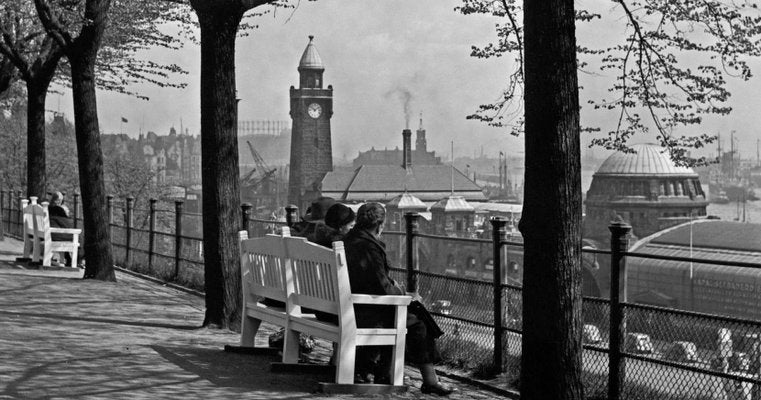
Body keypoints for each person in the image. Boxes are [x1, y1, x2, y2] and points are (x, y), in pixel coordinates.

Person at [343, 202, 456, 395]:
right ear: (380, 225)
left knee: (412, 313)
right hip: (363, 311)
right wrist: (405, 295)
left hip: (349, 306)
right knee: (417, 320)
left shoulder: (348, 240)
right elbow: (381, 287)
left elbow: (371, 279)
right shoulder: (368, 247)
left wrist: (396, 288)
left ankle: (383, 371)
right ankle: (429, 380)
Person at [48, 191, 76, 267]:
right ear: (59, 200)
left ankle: (68, 258)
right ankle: (78, 260)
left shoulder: (47, 208)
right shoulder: (58, 210)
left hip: (47, 233)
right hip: (54, 235)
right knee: (77, 236)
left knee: (65, 235)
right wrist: (66, 213)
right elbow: (66, 224)